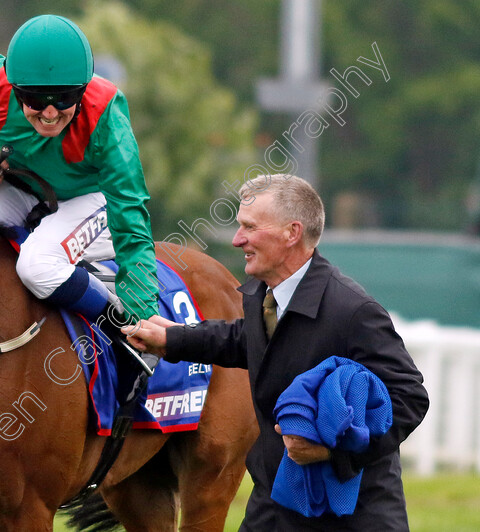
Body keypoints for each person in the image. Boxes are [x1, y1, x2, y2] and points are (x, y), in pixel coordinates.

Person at [125, 174, 429, 530]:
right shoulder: (260, 294)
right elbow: (244, 341)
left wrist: (333, 451)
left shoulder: (354, 310)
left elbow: (410, 398)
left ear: (292, 232)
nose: (238, 240)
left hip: (351, 515)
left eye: (249, 227)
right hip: (274, 505)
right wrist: (174, 339)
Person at [0, 14, 159, 363]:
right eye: (35, 99)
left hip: (90, 198)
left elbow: (130, 215)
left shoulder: (106, 113)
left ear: (83, 90)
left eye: (65, 98)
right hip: (23, 187)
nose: (50, 113)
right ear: (14, 88)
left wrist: (145, 316)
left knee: (36, 266)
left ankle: (122, 330)